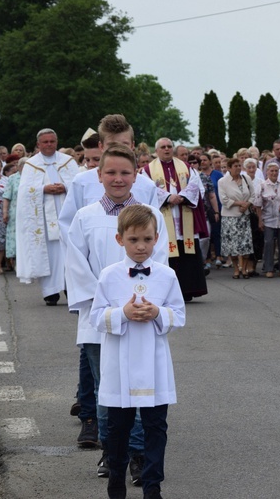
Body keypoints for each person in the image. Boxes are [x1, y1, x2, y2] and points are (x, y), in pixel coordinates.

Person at [67, 145, 168, 487]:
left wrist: (143, 306)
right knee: (107, 389)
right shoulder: (85, 217)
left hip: (143, 318)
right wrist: (112, 307)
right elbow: (77, 267)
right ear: (99, 176)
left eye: (125, 173)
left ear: (136, 175)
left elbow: (160, 267)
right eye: (110, 172)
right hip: (102, 320)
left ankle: (138, 454)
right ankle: (113, 453)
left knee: (141, 389)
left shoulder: (150, 215)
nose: (118, 178)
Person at [90, 204, 184, 499]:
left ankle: (152, 486)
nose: (141, 246)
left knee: (156, 426)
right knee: (118, 429)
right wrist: (123, 313)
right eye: (133, 240)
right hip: (120, 364)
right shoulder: (109, 275)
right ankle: (116, 482)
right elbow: (96, 317)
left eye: (146, 239)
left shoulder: (167, 275)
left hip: (154, 364)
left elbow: (178, 315)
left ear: (156, 238)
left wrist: (157, 312)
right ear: (120, 240)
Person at [16, 129, 79, 305]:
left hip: (67, 217)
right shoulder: (31, 165)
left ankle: (70, 288)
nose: (49, 144)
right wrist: (43, 189)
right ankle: (50, 292)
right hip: (43, 220)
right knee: (49, 255)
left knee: (69, 253)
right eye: (45, 142)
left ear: (57, 142)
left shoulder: (68, 162)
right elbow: (24, 192)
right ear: (38, 144)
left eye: (52, 141)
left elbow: (78, 184)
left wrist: (65, 187)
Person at [140, 137, 207, 301]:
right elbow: (146, 189)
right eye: (163, 147)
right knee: (167, 252)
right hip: (164, 215)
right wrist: (169, 197)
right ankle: (166, 293)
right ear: (156, 151)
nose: (167, 149)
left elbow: (196, 186)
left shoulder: (186, 167)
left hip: (185, 216)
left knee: (187, 253)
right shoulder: (148, 170)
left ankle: (188, 290)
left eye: (169, 146)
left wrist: (182, 197)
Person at [218, 158, 254, 279]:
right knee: (232, 245)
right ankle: (235, 268)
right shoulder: (223, 181)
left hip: (244, 216)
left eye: (239, 165)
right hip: (230, 217)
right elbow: (224, 199)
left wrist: (247, 204)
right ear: (229, 168)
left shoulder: (246, 178)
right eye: (235, 166)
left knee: (245, 244)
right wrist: (240, 203)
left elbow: (253, 195)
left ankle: (244, 268)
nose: (238, 168)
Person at [255, 162, 280, 278]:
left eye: (276, 171)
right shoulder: (262, 185)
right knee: (269, 243)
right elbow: (258, 205)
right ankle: (269, 268)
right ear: (267, 172)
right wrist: (260, 220)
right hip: (269, 219)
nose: (274, 173)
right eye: (272, 171)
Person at [2, 158, 24, 274]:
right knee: (14, 238)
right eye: (23, 166)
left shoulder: (34, 178)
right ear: (18, 167)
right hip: (15, 212)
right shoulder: (12, 178)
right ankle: (14, 262)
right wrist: (5, 212)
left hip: (29, 213)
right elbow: (6, 196)